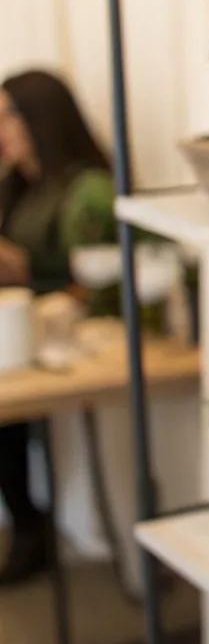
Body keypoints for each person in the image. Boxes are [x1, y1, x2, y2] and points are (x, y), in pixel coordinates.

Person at [0, 70, 113, 583]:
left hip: (68, 332)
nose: (1, 128)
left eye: (8, 115)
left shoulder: (85, 189)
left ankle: (28, 527)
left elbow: (88, 279)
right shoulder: (23, 183)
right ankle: (26, 522)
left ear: (38, 119)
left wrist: (24, 268)